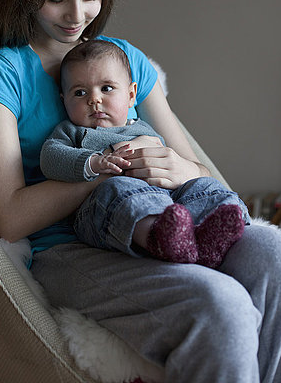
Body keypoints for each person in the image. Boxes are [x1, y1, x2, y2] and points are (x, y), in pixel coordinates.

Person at [0, 0, 281, 382]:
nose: (76, 15)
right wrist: (107, 167)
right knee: (220, 305)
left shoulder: (122, 60)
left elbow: (201, 171)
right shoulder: (4, 70)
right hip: (71, 250)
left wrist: (179, 169)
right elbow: (10, 216)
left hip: (167, 218)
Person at [40, 38, 250, 267]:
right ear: (64, 101)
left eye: (107, 88)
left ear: (131, 95)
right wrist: (93, 163)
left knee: (202, 186)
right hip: (102, 209)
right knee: (117, 188)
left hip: (168, 201)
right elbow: (50, 157)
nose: (94, 99)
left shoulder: (143, 128)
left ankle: (220, 224)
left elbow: (175, 166)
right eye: (79, 93)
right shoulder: (72, 131)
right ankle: (159, 238)